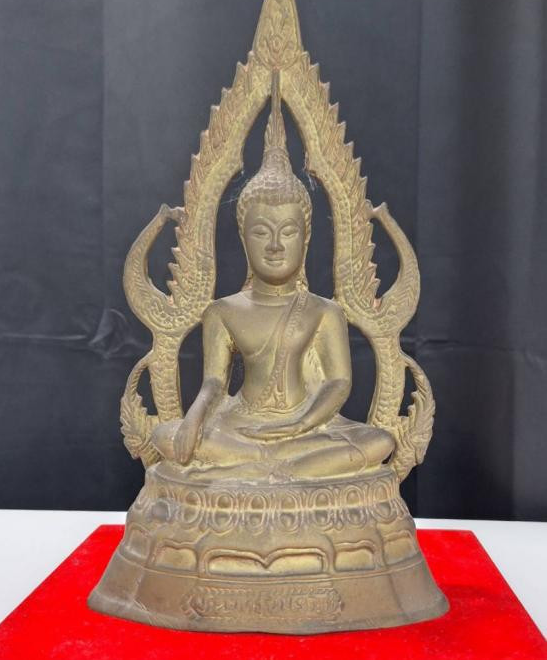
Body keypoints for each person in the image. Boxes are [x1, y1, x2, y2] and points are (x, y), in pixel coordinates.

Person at [152, 73, 394, 480]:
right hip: (240, 425)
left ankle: (263, 469)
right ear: (243, 238)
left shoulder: (324, 311)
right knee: (166, 435)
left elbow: (337, 382)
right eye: (262, 232)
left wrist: (299, 424)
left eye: (289, 232)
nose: (276, 245)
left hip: (305, 429)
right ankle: (278, 469)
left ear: (306, 237)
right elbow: (213, 384)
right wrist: (193, 420)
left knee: (379, 441)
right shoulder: (223, 311)